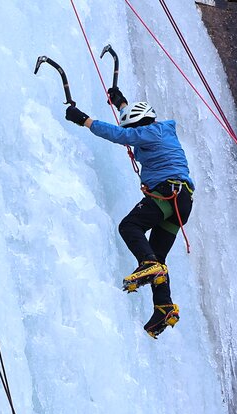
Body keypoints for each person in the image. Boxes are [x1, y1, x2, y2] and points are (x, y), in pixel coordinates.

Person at [65, 88, 195, 339]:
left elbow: (121, 134)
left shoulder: (153, 131)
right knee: (158, 257)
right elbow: (132, 124)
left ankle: (147, 264)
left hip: (168, 193)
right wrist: (121, 104)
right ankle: (164, 308)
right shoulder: (156, 131)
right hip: (181, 203)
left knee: (129, 226)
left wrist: (84, 120)